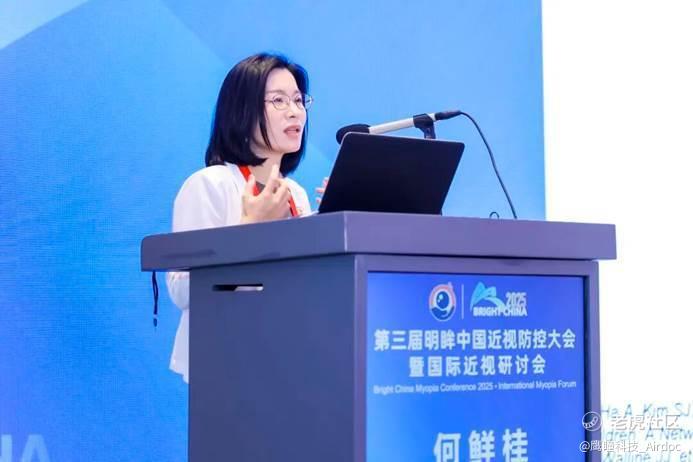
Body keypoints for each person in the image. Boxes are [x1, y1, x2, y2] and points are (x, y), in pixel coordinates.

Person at [166, 53, 314, 383]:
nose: (295, 111)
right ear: (242, 110)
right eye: (278, 100)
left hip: (288, 358)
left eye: (298, 100)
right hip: (226, 363)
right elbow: (182, 290)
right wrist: (250, 230)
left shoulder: (296, 194)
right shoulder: (210, 185)